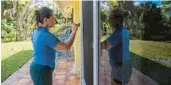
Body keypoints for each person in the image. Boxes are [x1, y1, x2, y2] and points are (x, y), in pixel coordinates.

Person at [30, 7, 79, 85]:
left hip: (38, 67)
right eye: (53, 18)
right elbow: (66, 47)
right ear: (45, 20)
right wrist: (73, 32)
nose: (55, 20)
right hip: (42, 70)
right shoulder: (46, 35)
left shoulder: (35, 32)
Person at [101, 7, 132, 85]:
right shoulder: (124, 30)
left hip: (120, 67)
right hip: (122, 66)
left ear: (118, 20)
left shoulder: (119, 33)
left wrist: (91, 44)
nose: (108, 19)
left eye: (110, 17)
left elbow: (104, 45)